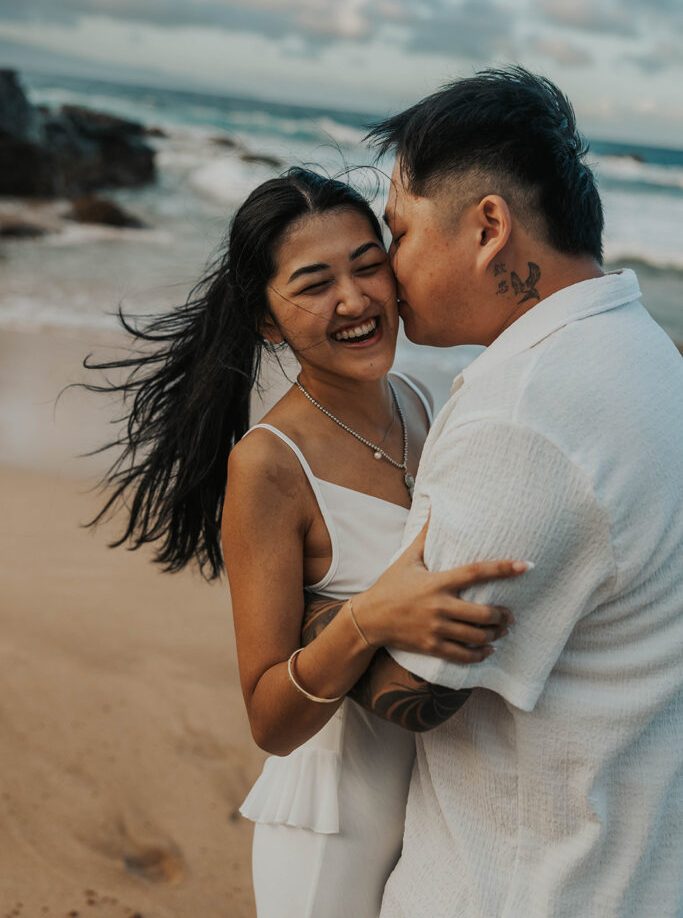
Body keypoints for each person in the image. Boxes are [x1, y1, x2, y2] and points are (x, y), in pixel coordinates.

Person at [81, 167, 526, 918]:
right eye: (314, 284)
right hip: (332, 828)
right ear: (266, 320)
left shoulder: (422, 402)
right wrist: (366, 620)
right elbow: (268, 719)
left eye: (367, 265)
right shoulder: (269, 465)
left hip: (438, 813)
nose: (352, 300)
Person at [302, 67, 683, 918]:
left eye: (397, 234)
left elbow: (417, 694)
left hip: (520, 889)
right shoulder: (648, 357)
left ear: (487, 228)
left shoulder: (527, 413)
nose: (386, 274)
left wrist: (315, 615)